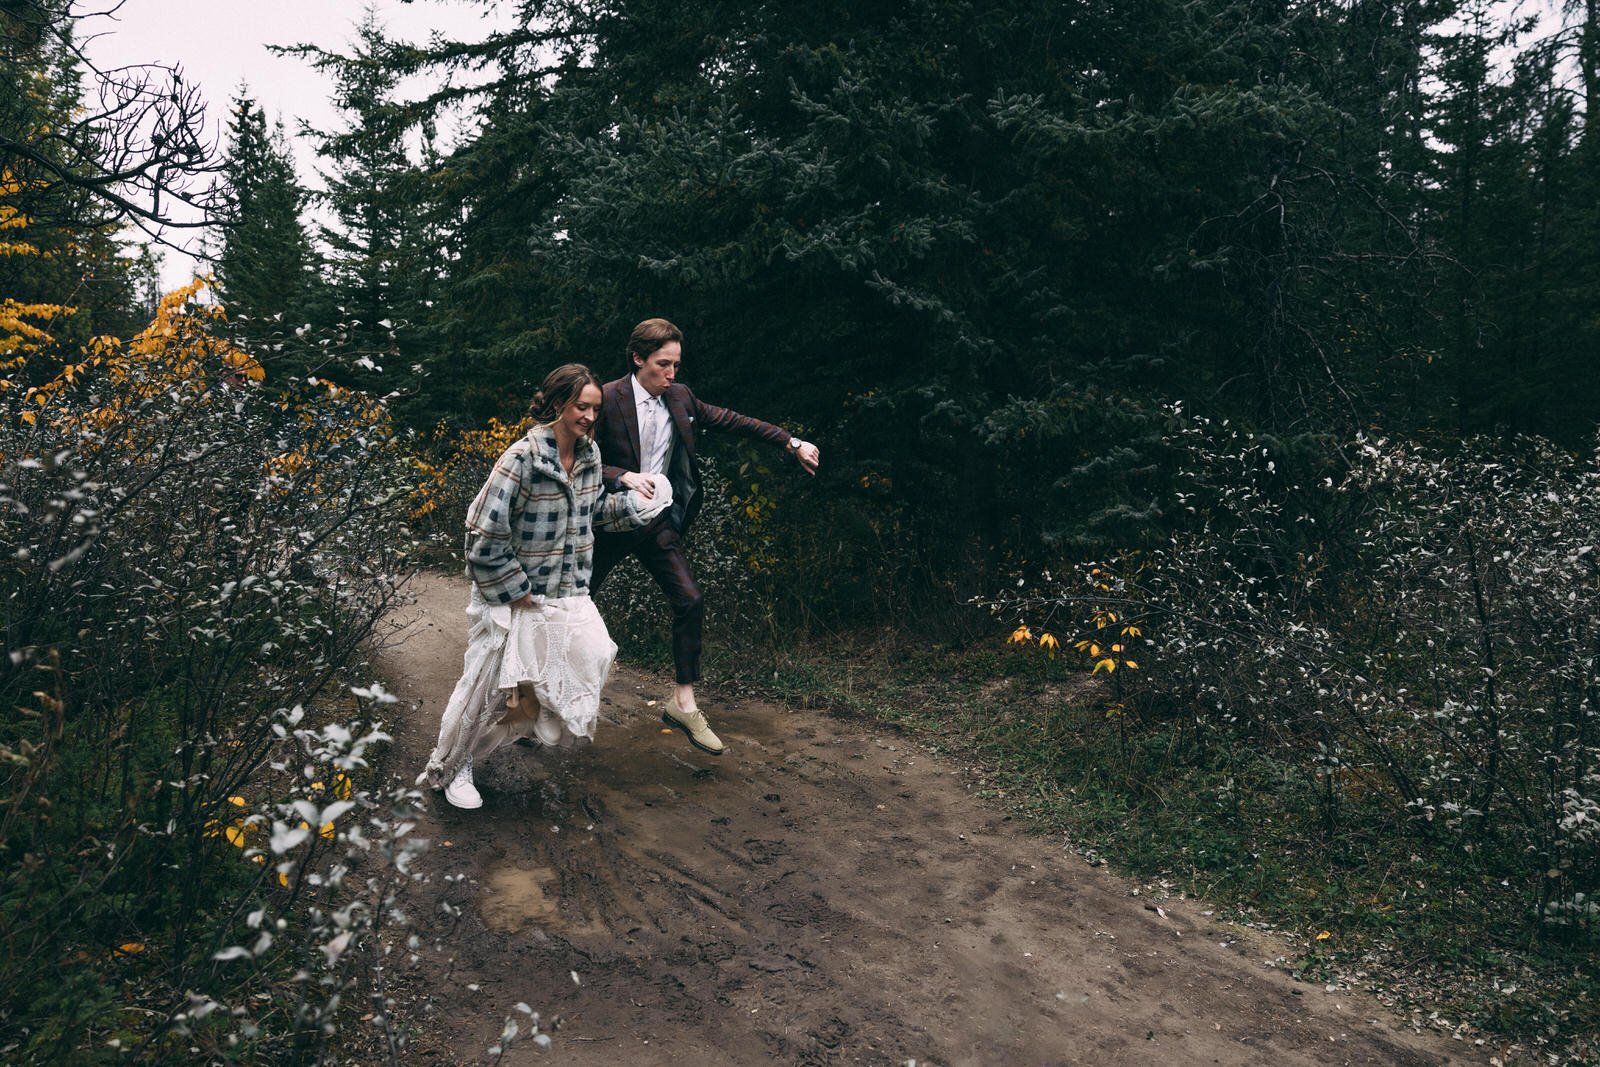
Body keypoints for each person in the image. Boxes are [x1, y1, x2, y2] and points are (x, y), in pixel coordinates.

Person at [419, 363, 668, 809]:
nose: (590, 417)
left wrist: (637, 507)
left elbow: (592, 514)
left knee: (591, 653)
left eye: (595, 409)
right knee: (488, 686)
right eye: (580, 406)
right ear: (557, 404)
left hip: (565, 591)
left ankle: (525, 722)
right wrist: (515, 587)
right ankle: (452, 767)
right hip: (509, 595)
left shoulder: (590, 457)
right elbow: (481, 534)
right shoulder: (521, 459)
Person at [592, 318, 820, 756]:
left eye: (676, 364)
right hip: (609, 522)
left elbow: (735, 421)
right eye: (663, 364)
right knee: (573, 604)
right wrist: (623, 476)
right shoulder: (606, 398)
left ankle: (683, 703)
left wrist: (791, 442)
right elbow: (580, 461)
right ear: (639, 359)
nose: (672, 374)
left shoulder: (680, 397)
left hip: (657, 522)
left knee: (690, 599)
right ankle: (534, 699)